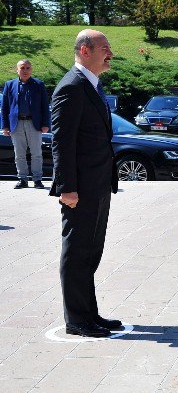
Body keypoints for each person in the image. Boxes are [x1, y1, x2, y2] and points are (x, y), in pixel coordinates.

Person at [49, 30, 120, 338]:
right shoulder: (71, 87)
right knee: (77, 251)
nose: (111, 54)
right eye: (105, 48)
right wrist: (66, 187)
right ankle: (77, 320)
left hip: (97, 184)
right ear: (85, 50)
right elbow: (61, 142)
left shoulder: (92, 86)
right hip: (79, 189)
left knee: (90, 252)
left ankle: (88, 313)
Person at [1, 59, 50, 189]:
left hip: (34, 124)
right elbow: (5, 107)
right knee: (19, 154)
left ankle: (37, 180)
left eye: (28, 68)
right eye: (22, 68)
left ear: (31, 70)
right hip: (16, 124)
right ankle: (22, 179)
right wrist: (5, 126)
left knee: (36, 153)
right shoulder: (9, 85)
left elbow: (45, 106)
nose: (25, 70)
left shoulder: (39, 84)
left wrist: (46, 124)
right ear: (17, 70)